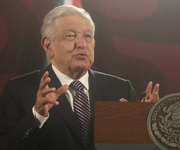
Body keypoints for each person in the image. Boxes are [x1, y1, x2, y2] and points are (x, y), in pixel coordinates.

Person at [0, 5, 159, 150]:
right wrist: (37, 116)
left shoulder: (120, 88)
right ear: (48, 45)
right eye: (70, 36)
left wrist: (146, 128)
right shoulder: (20, 90)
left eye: (88, 36)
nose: (82, 44)